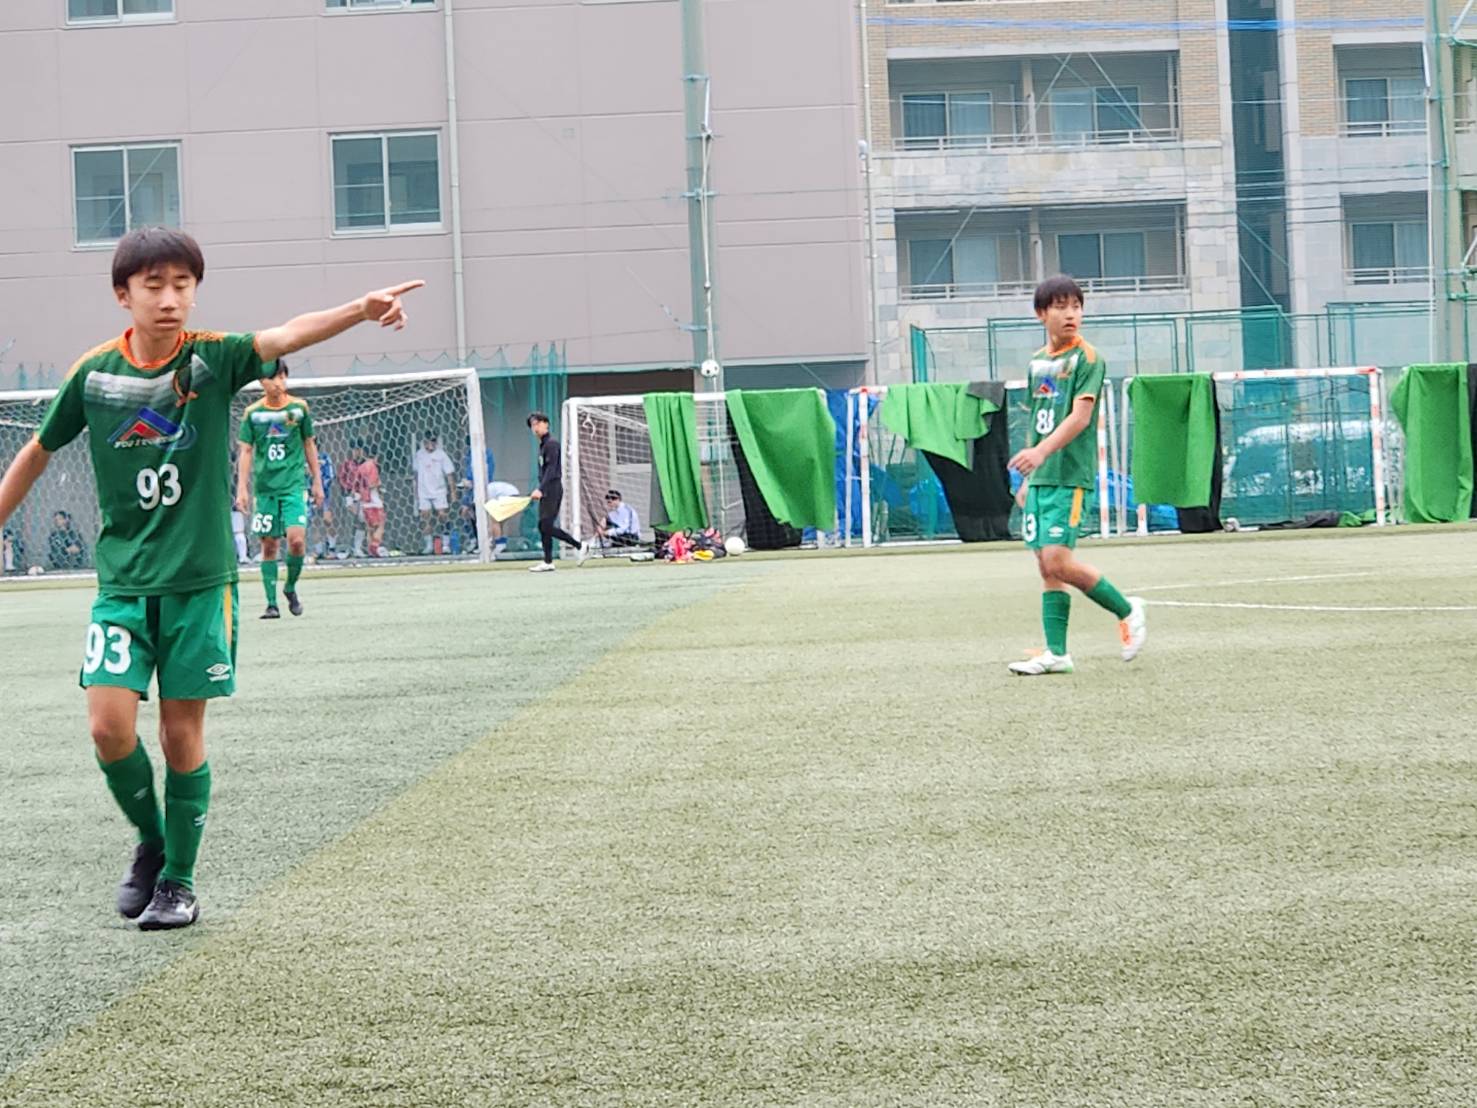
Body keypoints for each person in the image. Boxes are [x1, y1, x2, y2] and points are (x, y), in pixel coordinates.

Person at [0, 226, 422, 930]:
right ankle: (153, 840)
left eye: (183, 284)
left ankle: (179, 883)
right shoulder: (94, 375)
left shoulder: (214, 358)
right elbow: (37, 453)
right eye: (154, 286)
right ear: (123, 295)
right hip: (122, 587)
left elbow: (287, 334)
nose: (170, 299)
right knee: (108, 728)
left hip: (201, 585)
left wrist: (360, 308)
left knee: (178, 734)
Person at [1006, 275, 1146, 676]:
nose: (1071, 314)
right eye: (1061, 307)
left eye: (1077, 306)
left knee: (1058, 560)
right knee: (1045, 565)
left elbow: (1080, 418)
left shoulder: (1088, 359)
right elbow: (1038, 419)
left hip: (1070, 475)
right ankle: (1057, 654)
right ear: (1041, 314)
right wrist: (1029, 476)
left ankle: (1128, 609)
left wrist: (1040, 453)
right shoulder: (1038, 362)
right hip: (1042, 478)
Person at [236, 361, 324, 619]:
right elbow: (246, 450)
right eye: (271, 378)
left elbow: (309, 443)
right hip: (265, 490)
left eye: (281, 377)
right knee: (269, 545)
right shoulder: (253, 413)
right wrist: (242, 489)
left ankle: (290, 587)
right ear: (261, 382)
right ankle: (271, 603)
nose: (277, 383)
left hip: (293, 486)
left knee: (296, 541)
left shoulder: (299, 409)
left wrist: (317, 481)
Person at [526, 411, 588, 572]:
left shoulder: (552, 444)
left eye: (537, 423)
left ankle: (579, 545)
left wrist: (541, 489)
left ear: (546, 423)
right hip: (546, 490)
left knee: (545, 525)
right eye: (532, 425)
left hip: (552, 489)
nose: (535, 428)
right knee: (543, 525)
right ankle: (548, 562)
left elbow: (552, 470)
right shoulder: (543, 445)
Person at [413, 430, 456, 554]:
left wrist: (453, 492)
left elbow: (449, 474)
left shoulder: (441, 455)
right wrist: (415, 492)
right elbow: (416, 474)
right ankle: (428, 545)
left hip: (439, 490)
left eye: (433, 441)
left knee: (443, 515)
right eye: (428, 441)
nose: (430, 444)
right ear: (424, 442)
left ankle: (446, 544)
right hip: (423, 491)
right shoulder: (419, 455)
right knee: (425, 517)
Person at [342, 440, 386, 557]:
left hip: (363, 501)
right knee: (380, 524)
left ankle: (366, 549)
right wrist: (379, 485)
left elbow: (355, 486)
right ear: (377, 456)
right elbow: (371, 484)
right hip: (373, 500)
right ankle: (373, 546)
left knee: (367, 526)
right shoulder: (372, 466)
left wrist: (354, 496)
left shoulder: (361, 467)